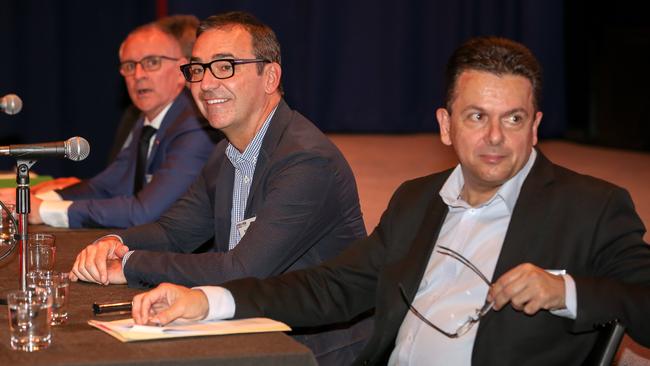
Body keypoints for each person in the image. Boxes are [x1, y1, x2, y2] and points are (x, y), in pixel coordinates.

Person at [130, 36, 650, 365]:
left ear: (535, 127)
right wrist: (208, 301)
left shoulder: (592, 206)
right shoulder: (418, 200)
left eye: (513, 119)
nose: (494, 137)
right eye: (475, 117)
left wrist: (566, 290)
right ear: (445, 126)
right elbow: (331, 287)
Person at [70, 12, 371, 365]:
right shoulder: (226, 152)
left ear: (270, 76)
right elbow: (173, 231)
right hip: (247, 326)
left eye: (225, 66)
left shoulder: (306, 161)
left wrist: (130, 263)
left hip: (315, 347)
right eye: (197, 69)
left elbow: (240, 270)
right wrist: (116, 243)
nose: (206, 84)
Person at [0, 15, 220, 229]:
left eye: (152, 63)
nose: (139, 75)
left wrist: (44, 210)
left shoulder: (195, 126)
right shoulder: (146, 120)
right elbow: (106, 186)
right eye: (130, 66)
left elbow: (145, 212)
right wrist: (34, 200)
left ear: (182, 71)